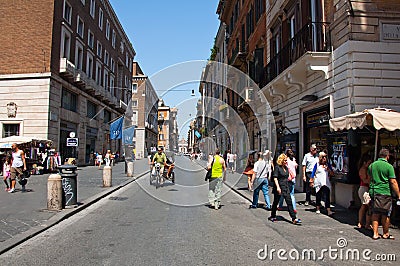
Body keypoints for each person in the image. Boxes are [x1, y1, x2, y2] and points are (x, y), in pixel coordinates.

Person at [368, 148, 400, 240]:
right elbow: (393, 182)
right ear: (387, 156)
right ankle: (385, 233)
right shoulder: (389, 167)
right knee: (386, 213)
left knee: (375, 212)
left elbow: (370, 177)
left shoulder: (372, 166)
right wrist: (398, 194)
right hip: (385, 192)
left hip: (374, 191)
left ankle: (375, 233)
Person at [269, 153, 302, 224]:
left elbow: (288, 176)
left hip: (286, 186)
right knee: (276, 202)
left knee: (289, 202)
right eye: (285, 160)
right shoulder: (277, 168)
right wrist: (277, 187)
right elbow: (275, 178)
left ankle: (294, 218)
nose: (286, 162)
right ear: (281, 160)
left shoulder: (286, 168)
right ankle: (273, 215)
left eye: (286, 160)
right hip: (279, 187)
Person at [310, 152, 334, 216]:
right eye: (323, 157)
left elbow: (332, 173)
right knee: (318, 195)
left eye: (325, 157)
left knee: (327, 196)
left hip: (326, 183)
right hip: (318, 183)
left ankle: (328, 210)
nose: (324, 159)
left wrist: (329, 170)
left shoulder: (328, 165)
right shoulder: (317, 165)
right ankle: (318, 208)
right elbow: (313, 173)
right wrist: (311, 181)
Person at [357, 153, 372, 229]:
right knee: (367, 206)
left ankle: (362, 222)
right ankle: (366, 223)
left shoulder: (366, 169)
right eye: (369, 163)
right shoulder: (363, 170)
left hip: (365, 189)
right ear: (364, 163)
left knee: (364, 206)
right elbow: (365, 180)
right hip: (364, 189)